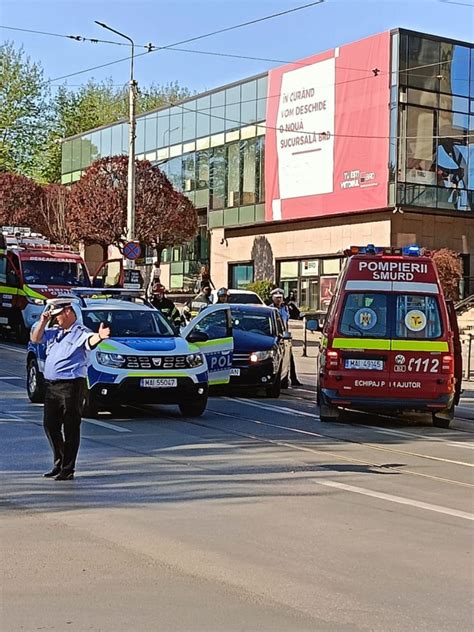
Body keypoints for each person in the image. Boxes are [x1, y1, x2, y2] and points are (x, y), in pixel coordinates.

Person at [30, 298, 111, 481]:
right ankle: (59, 462)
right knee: (50, 425)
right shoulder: (56, 332)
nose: (56, 319)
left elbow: (90, 341)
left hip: (71, 386)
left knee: (71, 427)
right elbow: (36, 338)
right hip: (52, 386)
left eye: (58, 315)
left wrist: (99, 336)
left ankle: (68, 468)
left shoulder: (80, 332)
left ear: (68, 312)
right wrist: (43, 320)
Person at [270, 288, 302, 387]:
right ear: (273, 298)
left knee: (289, 358)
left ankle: (293, 379)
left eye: (280, 298)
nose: (278, 300)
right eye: (276, 298)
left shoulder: (286, 308)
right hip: (275, 335)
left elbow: (296, 315)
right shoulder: (270, 309)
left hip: (285, 335)